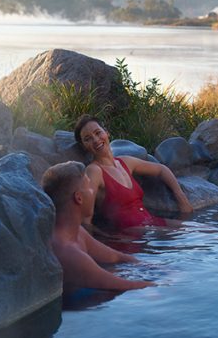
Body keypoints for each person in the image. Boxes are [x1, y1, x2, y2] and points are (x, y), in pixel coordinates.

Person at [41, 161, 154, 291]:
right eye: (90, 186)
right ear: (79, 198)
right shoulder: (69, 253)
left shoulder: (78, 232)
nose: (93, 192)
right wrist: (168, 286)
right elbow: (125, 286)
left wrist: (152, 267)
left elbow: (117, 256)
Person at [74, 114, 193, 232]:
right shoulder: (94, 171)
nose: (95, 140)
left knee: (203, 229)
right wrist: (105, 239)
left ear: (106, 132)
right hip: (130, 236)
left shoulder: (125, 162)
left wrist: (182, 200)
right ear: (84, 146)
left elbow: (162, 169)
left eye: (98, 133)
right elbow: (86, 219)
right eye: (88, 139)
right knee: (193, 234)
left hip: (150, 223)